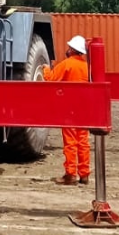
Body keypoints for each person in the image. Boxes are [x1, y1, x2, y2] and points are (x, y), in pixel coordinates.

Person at [42, 35, 90, 185]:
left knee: (70, 142)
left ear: (73, 49)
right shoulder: (87, 66)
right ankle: (84, 174)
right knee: (83, 141)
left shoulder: (67, 64)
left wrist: (46, 69)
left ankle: (70, 175)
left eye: (69, 47)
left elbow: (51, 79)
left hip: (69, 108)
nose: (67, 50)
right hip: (84, 109)